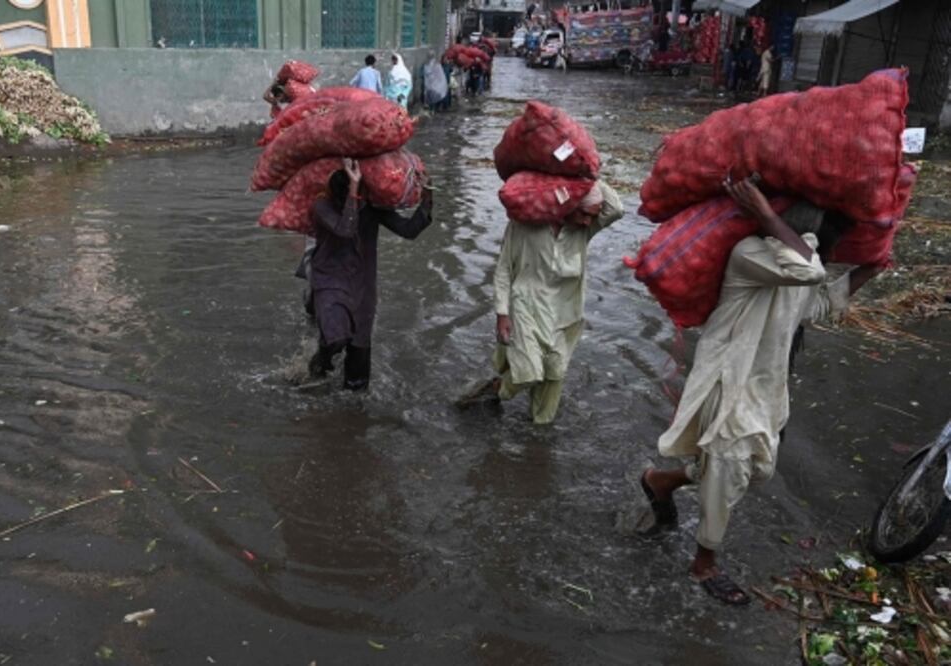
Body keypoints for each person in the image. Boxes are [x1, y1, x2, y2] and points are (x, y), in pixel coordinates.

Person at [638, 179, 886, 605]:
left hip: (766, 384)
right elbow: (809, 270)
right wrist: (765, 215)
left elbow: (818, 303)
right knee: (731, 465)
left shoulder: (793, 264)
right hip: (730, 379)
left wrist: (871, 267)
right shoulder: (751, 253)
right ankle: (704, 565)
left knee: (749, 469)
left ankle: (660, 481)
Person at [458, 181, 625, 424]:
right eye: (585, 215)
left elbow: (616, 209)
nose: (589, 221)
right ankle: (493, 390)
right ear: (567, 206)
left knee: (554, 374)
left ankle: (539, 438)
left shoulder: (583, 230)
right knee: (528, 373)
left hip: (566, 309)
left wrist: (589, 175)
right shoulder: (526, 224)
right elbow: (504, 269)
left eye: (593, 217)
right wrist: (502, 313)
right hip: (526, 304)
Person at [307, 159, 433, 391]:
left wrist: (426, 196)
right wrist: (354, 189)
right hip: (330, 281)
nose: (359, 195)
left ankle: (353, 420)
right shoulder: (321, 206)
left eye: (361, 188)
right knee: (335, 340)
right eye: (351, 188)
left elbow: (409, 230)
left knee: (358, 378)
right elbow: (345, 229)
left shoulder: (372, 208)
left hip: (363, 286)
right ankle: (316, 368)